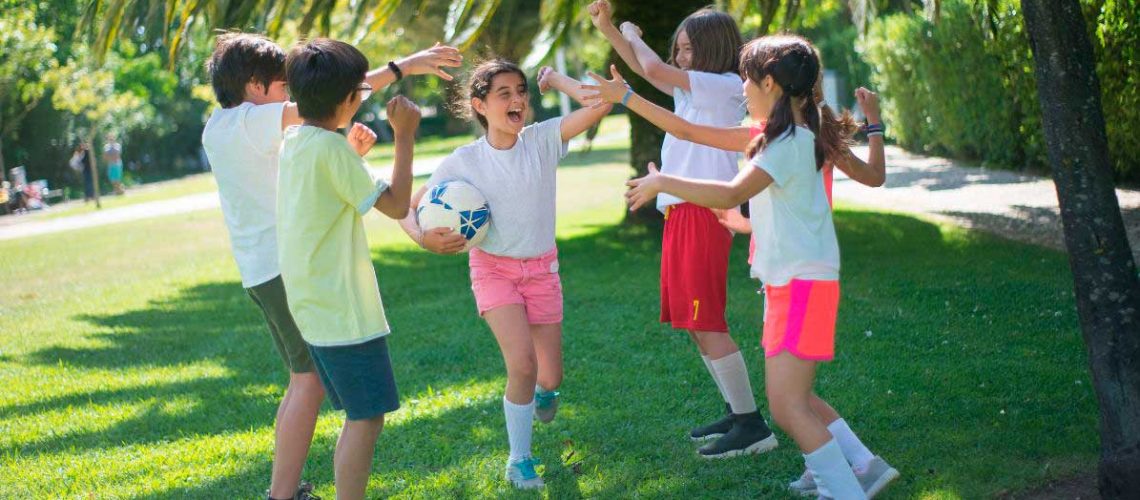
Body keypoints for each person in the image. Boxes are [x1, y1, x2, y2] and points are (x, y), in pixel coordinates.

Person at [624, 35, 898, 499]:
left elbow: (731, 191)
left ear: (769, 83)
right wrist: (743, 226)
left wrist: (664, 181)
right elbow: (787, 209)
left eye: (746, 80)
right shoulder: (788, 137)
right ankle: (847, 474)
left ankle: (845, 491)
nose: (742, 90)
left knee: (788, 406)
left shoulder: (785, 143)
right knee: (795, 399)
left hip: (803, 285)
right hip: (790, 283)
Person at [201, 32, 460, 500]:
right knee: (315, 385)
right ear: (256, 87)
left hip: (271, 270)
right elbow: (328, 100)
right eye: (284, 85)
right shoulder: (254, 123)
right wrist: (403, 76)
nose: (290, 94)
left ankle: (285, 490)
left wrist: (350, 155)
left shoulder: (230, 129)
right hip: (292, 271)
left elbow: (325, 111)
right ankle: (282, 495)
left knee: (306, 381)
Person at [397, 59, 611, 489]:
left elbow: (601, 103)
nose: (517, 100)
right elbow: (404, 204)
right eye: (504, 94)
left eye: (522, 91)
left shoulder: (543, 140)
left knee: (550, 377)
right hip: (493, 271)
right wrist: (423, 238)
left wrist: (558, 81)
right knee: (523, 366)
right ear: (480, 105)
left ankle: (545, 395)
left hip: (542, 269)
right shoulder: (464, 161)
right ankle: (519, 460)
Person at [588, 0, 776, 458]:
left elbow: (649, 64)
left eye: (688, 49)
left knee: (706, 319)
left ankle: (752, 426)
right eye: (678, 48)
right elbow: (649, 70)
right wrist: (612, 30)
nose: (680, 57)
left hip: (701, 210)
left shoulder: (721, 85)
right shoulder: (697, 90)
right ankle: (738, 411)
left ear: (712, 49)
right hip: (682, 210)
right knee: (694, 322)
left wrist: (631, 31)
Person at [276, 38, 421, 500]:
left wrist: (352, 156)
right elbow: (398, 206)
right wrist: (405, 136)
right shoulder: (332, 150)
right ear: (349, 100)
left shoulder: (298, 140)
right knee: (365, 416)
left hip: (314, 305)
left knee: (360, 413)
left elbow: (323, 200)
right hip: (343, 310)